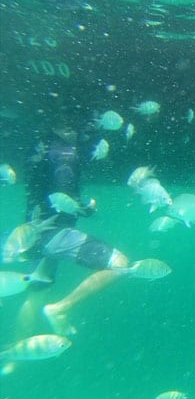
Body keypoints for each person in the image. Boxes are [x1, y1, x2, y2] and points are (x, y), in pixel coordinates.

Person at [16, 123, 130, 337]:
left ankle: (14, 355)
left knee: (36, 292)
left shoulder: (38, 150)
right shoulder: (66, 156)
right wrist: (87, 209)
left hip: (32, 235)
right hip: (56, 233)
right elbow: (64, 193)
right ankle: (60, 309)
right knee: (120, 264)